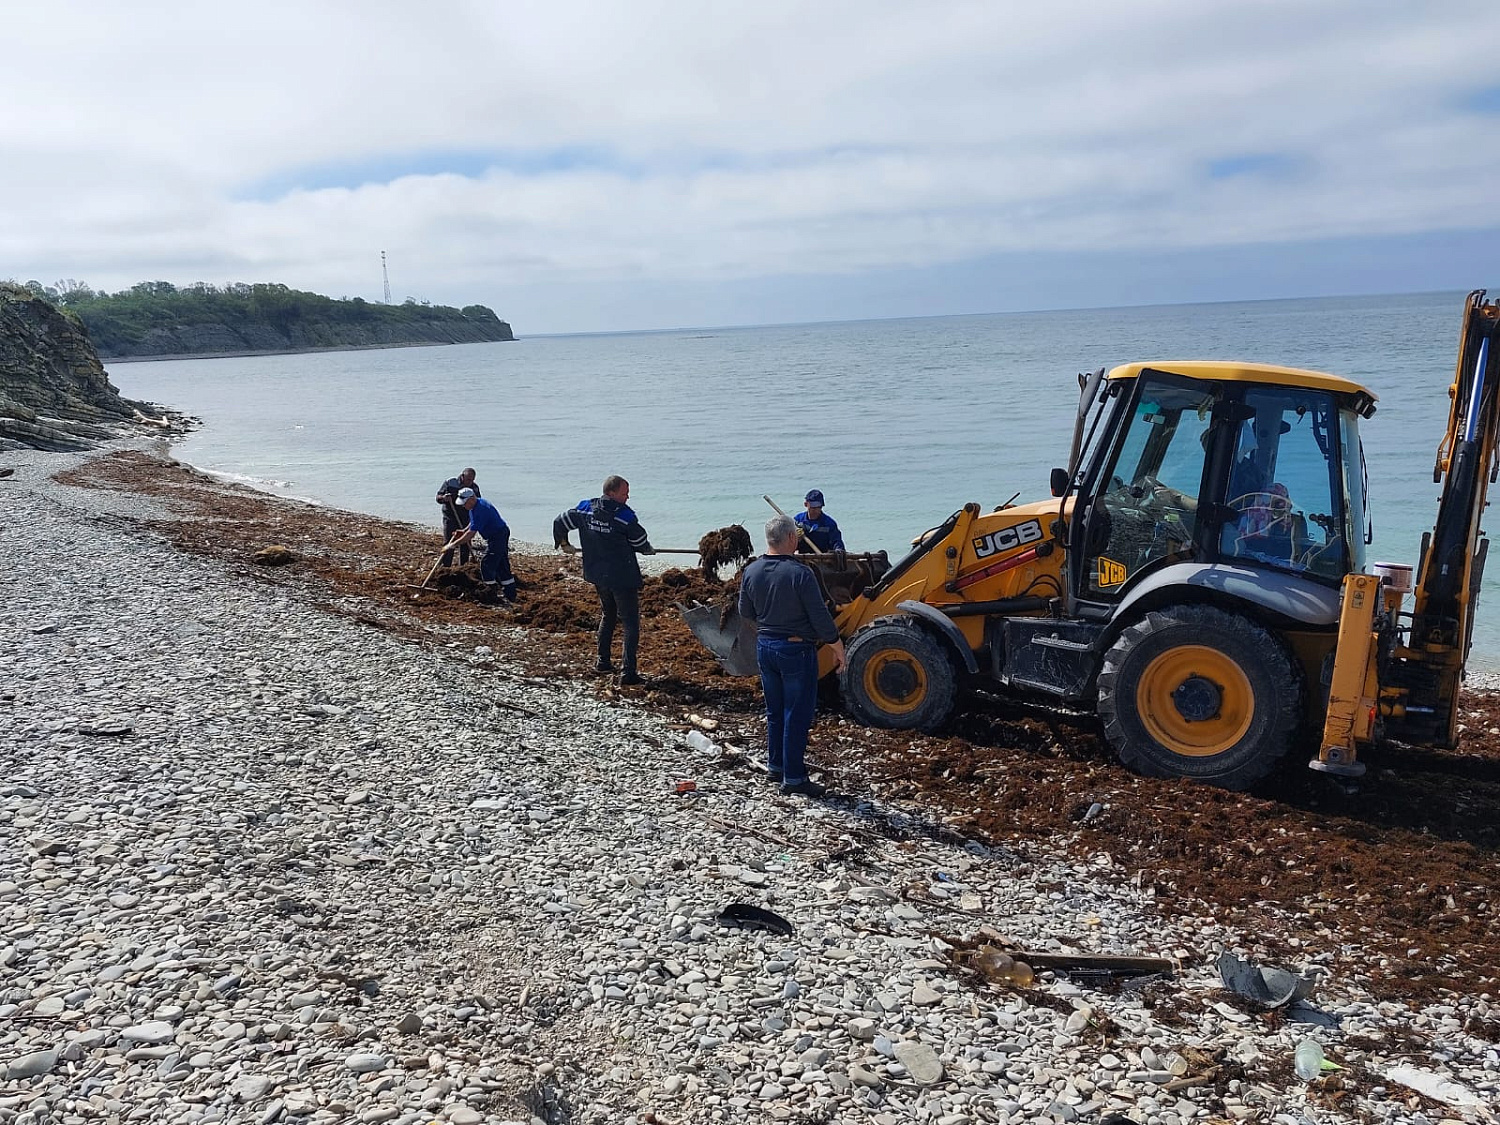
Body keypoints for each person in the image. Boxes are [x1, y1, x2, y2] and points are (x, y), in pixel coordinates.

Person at [738, 514, 847, 797]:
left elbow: (744, 612)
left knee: (775, 710)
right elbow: (820, 617)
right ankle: (795, 778)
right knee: (796, 714)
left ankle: (776, 766)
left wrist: (764, 630)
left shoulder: (752, 570)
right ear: (790, 539)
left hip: (766, 647)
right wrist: (838, 647)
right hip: (795, 649)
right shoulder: (800, 573)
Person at [553, 475, 654, 685]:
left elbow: (560, 521)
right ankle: (628, 673)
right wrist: (647, 549)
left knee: (608, 614)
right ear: (611, 493)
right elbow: (639, 540)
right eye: (624, 493)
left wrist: (564, 542)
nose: (627, 497)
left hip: (597, 573)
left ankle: (603, 662)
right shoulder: (623, 517)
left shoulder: (585, 509)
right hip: (621, 576)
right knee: (630, 623)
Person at [451, 487, 517, 602]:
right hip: (496, 535)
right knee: (501, 563)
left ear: (471, 499)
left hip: (498, 535)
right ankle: (510, 594)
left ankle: (490, 592)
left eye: (464, 503)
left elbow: (471, 534)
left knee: (487, 563)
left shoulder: (481, 509)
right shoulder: (475, 506)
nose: (463, 506)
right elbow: (473, 523)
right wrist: (463, 531)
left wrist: (453, 545)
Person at [435, 468, 479, 567]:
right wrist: (444, 498)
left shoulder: (474, 488)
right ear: (462, 476)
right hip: (450, 516)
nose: (470, 482)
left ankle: (464, 567)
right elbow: (438, 497)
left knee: (465, 542)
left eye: (472, 480)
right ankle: (446, 566)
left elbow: (477, 503)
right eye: (468, 480)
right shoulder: (450, 483)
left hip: (465, 517)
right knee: (449, 540)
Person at [794, 489, 845, 553]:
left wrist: (838, 550)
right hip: (803, 555)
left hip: (823, 557)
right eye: (813, 507)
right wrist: (796, 538)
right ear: (806, 504)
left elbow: (836, 541)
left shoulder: (829, 524)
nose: (815, 510)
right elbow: (790, 543)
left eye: (818, 507)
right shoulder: (798, 520)